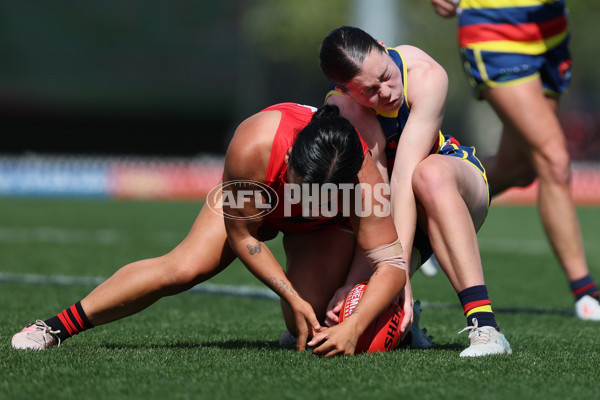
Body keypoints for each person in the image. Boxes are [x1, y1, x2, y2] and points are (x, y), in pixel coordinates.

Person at [11, 103, 407, 357]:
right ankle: (55, 326)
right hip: (256, 206)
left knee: (309, 322)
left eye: (324, 194)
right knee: (182, 268)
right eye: (304, 186)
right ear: (289, 156)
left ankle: (403, 317)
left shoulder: (363, 177)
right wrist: (290, 292)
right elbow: (243, 236)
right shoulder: (253, 144)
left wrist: (354, 327)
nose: (308, 199)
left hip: (322, 231)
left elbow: (391, 263)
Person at [311, 26, 512, 357]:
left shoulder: (426, 74)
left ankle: (486, 328)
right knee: (331, 304)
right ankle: (403, 326)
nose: (387, 92)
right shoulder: (344, 110)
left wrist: (397, 278)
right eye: (370, 91)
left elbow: (403, 179)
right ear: (346, 91)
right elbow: (375, 199)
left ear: (382, 46)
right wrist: (350, 288)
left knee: (428, 173)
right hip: (391, 210)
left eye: (386, 76)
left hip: (447, 189)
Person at [430, 0, 600, 319]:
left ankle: (435, 209)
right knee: (554, 159)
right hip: (494, 28)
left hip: (550, 29)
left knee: (519, 168)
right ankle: (586, 292)